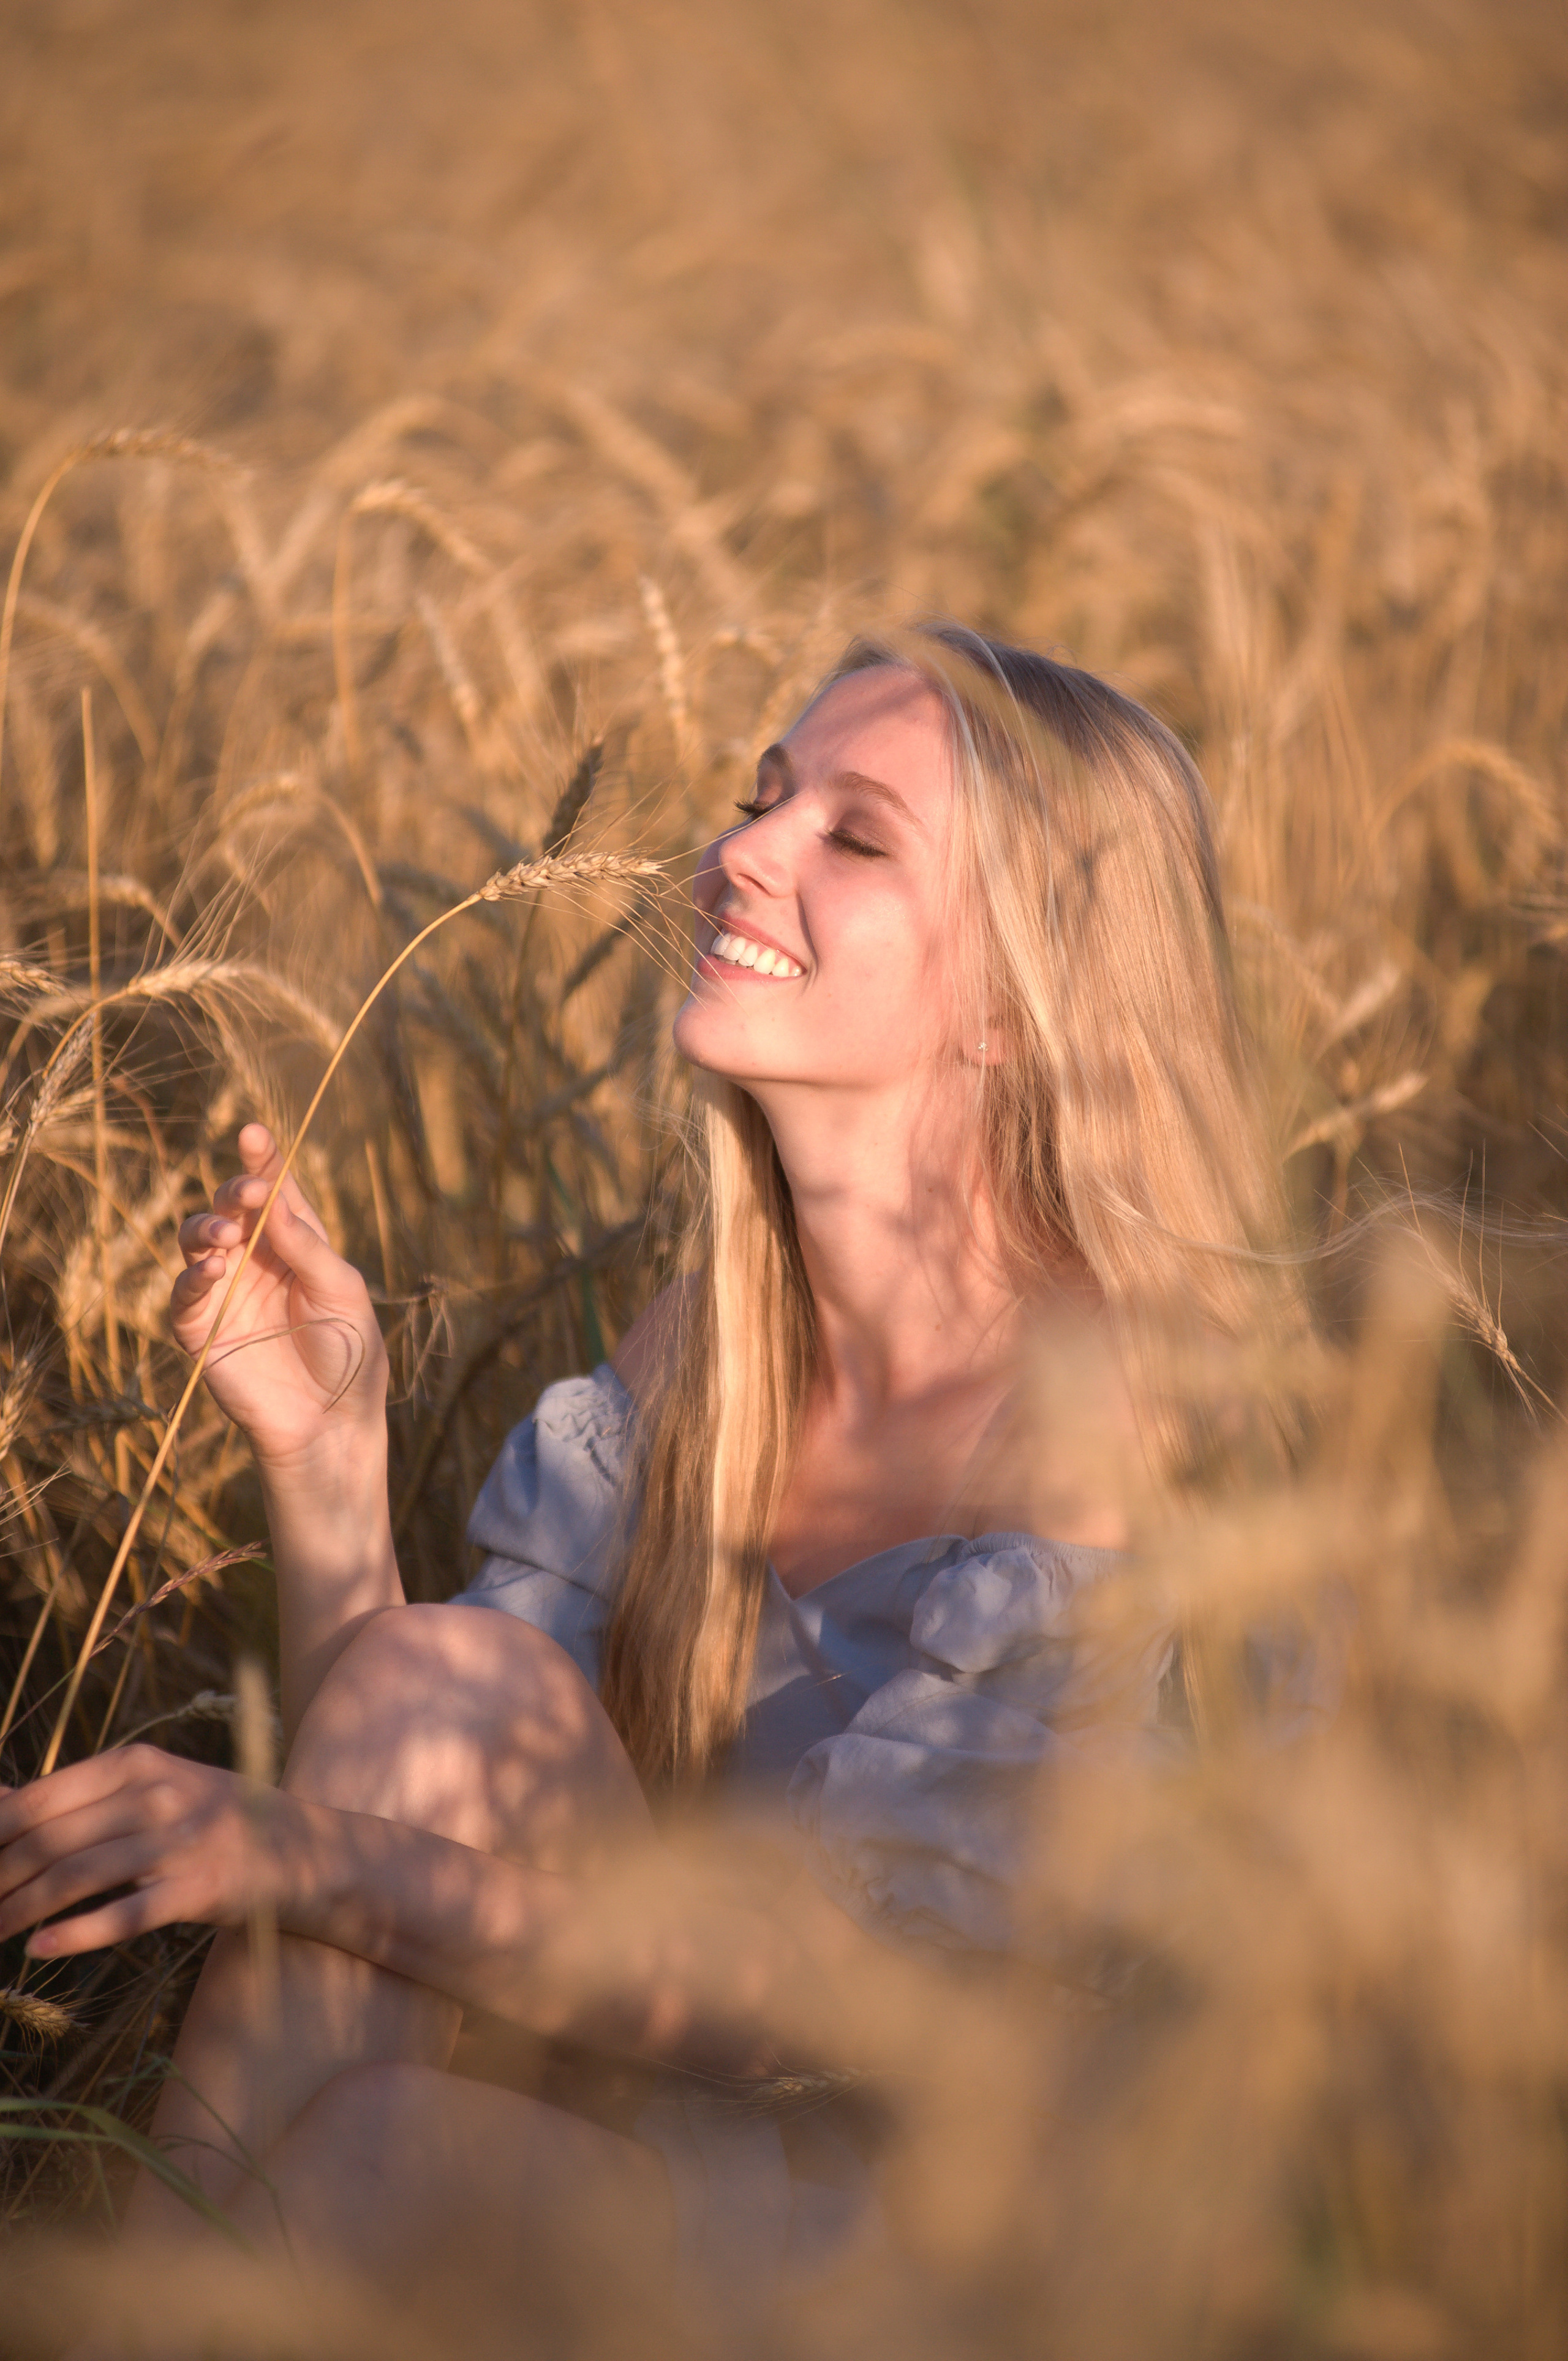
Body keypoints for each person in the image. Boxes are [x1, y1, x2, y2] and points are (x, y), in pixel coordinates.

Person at [0, 624, 1297, 2314]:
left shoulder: (1102, 1423)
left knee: (380, 2147)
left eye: (855, 834)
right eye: (764, 799)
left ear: (1014, 1006)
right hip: (663, 2113)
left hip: (949, 2244)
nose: (737, 851)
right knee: (448, 1677)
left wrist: (287, 1855)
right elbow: (420, 1768)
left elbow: (829, 2003)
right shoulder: (708, 1342)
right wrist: (328, 1457)